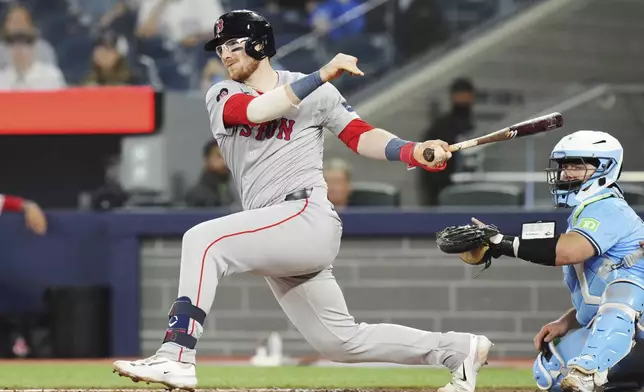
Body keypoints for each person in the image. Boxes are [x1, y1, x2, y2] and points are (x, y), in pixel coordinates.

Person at [112, 10, 492, 392]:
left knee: (202, 240)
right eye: (221, 47)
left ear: (259, 44)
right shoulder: (223, 93)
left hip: (305, 214)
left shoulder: (318, 92)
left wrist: (413, 150)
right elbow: (258, 111)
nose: (225, 54)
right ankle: (458, 349)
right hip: (275, 226)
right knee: (340, 343)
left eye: (233, 44)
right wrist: (323, 73)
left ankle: (176, 355)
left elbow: (360, 135)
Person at [462, 130, 644, 392]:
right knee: (551, 371)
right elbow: (598, 294)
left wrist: (502, 243)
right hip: (630, 333)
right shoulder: (584, 212)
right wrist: (566, 322)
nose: (566, 173)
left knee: (625, 288)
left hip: (637, 323)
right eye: (564, 166)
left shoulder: (608, 207)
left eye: (576, 166)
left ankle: (588, 371)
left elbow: (569, 251)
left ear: (605, 167)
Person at [418, 77, 476, 206]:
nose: (463, 99)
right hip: (442, 189)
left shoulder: (472, 126)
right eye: (460, 95)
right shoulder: (440, 127)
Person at [184, 139, 236, 208]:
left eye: (227, 156)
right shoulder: (197, 195)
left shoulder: (229, 192)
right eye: (219, 156)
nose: (225, 161)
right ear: (207, 160)